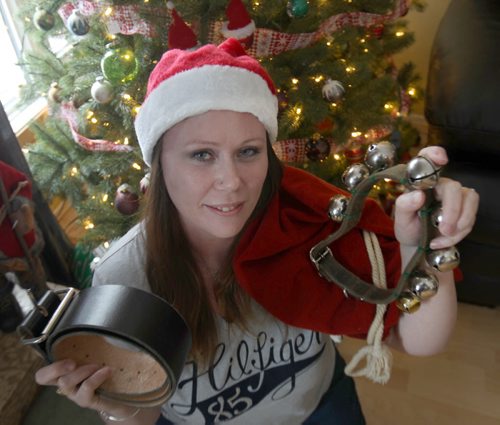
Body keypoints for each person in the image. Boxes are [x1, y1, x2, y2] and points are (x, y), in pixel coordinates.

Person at [34, 38, 479, 424]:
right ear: (159, 164)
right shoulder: (127, 274)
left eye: (248, 151)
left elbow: (418, 340)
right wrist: (110, 403)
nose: (231, 181)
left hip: (320, 409)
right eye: (202, 155)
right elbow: (144, 413)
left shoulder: (308, 224)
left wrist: (427, 244)